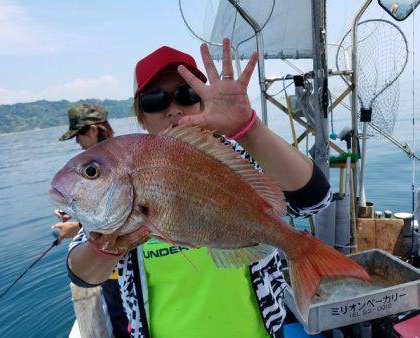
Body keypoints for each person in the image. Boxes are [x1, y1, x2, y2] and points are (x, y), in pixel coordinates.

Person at [67, 40, 332, 338]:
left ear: (203, 100)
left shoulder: (241, 159)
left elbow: (314, 200)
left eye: (187, 94)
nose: (173, 109)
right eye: (155, 100)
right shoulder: (122, 180)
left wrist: (249, 128)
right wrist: (105, 247)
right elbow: (83, 275)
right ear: (140, 114)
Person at [52, 104, 129, 338]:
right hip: (108, 267)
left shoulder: (113, 165)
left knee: (125, 323)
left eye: (79, 135)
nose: (77, 143)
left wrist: (72, 228)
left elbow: (125, 215)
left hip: (118, 271)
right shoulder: (116, 157)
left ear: (94, 130)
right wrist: (77, 221)